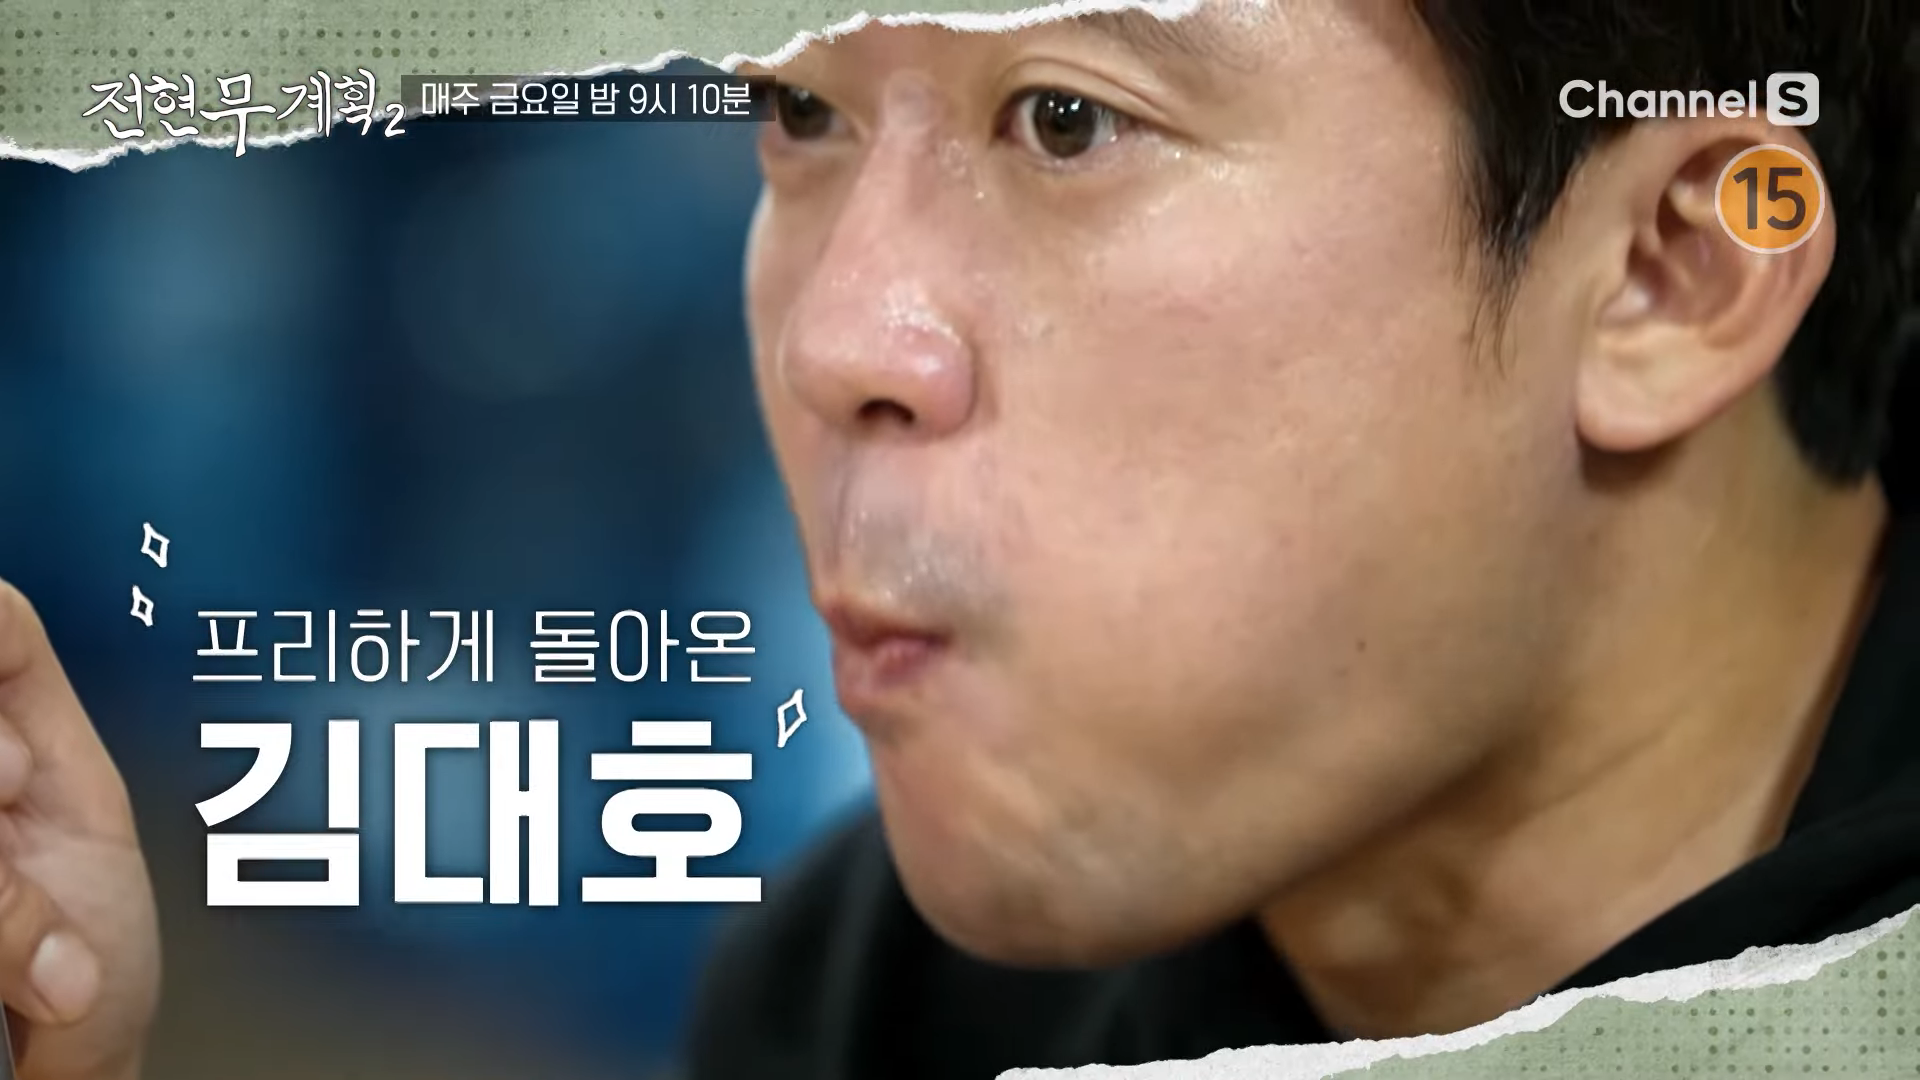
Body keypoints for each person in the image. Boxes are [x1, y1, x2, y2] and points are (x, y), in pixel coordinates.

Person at [0, 0, 1914, 1077]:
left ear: (1671, 270)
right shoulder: (879, 1001)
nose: (838, 338)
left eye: (1068, 123)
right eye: (796, 113)